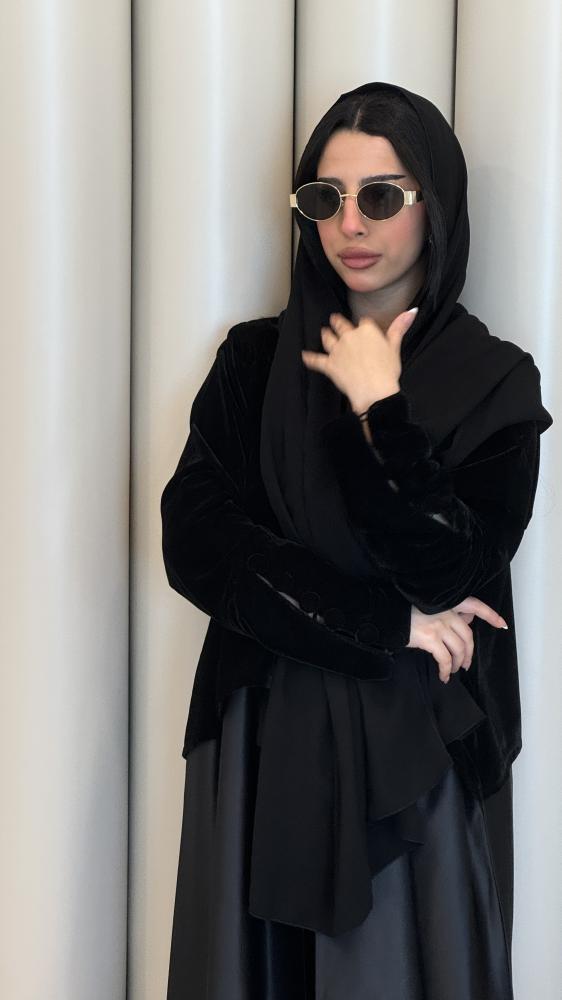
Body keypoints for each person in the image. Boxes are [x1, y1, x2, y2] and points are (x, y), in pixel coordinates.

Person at [161, 81, 553, 1000]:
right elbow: (199, 544)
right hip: (263, 737)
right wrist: (387, 625)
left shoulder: (495, 382)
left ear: (435, 204)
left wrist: (380, 409)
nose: (350, 224)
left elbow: (453, 565)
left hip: (421, 759)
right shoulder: (254, 362)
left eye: (381, 194)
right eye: (324, 197)